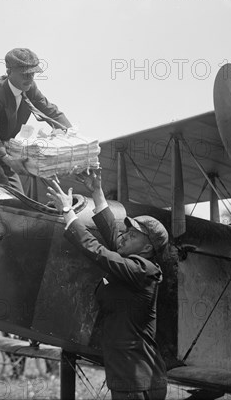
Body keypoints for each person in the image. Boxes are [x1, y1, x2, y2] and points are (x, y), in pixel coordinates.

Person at [46, 171, 169, 400]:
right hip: (129, 379)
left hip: (138, 384)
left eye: (132, 235)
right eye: (127, 232)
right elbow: (112, 231)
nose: (124, 237)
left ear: (147, 249)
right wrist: (97, 191)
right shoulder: (132, 264)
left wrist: (68, 212)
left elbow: (99, 252)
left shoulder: (142, 271)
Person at [0, 47, 72, 193]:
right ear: (9, 72)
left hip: (2, 149)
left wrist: (72, 136)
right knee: (7, 195)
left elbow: (50, 111)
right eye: (25, 74)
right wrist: (7, 158)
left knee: (18, 194)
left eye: (33, 73)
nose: (30, 78)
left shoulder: (30, 88)